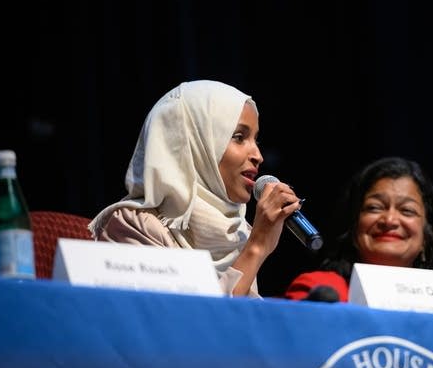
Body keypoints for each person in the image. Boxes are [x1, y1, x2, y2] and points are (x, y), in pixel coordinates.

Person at [88, 80, 302, 297]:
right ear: (195, 144)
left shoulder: (239, 230)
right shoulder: (134, 225)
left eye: (255, 139)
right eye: (239, 137)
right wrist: (255, 248)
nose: (258, 155)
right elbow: (192, 325)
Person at [284, 156, 433, 302]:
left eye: (407, 210)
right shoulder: (319, 291)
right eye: (374, 208)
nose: (389, 220)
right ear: (353, 225)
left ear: (427, 235)